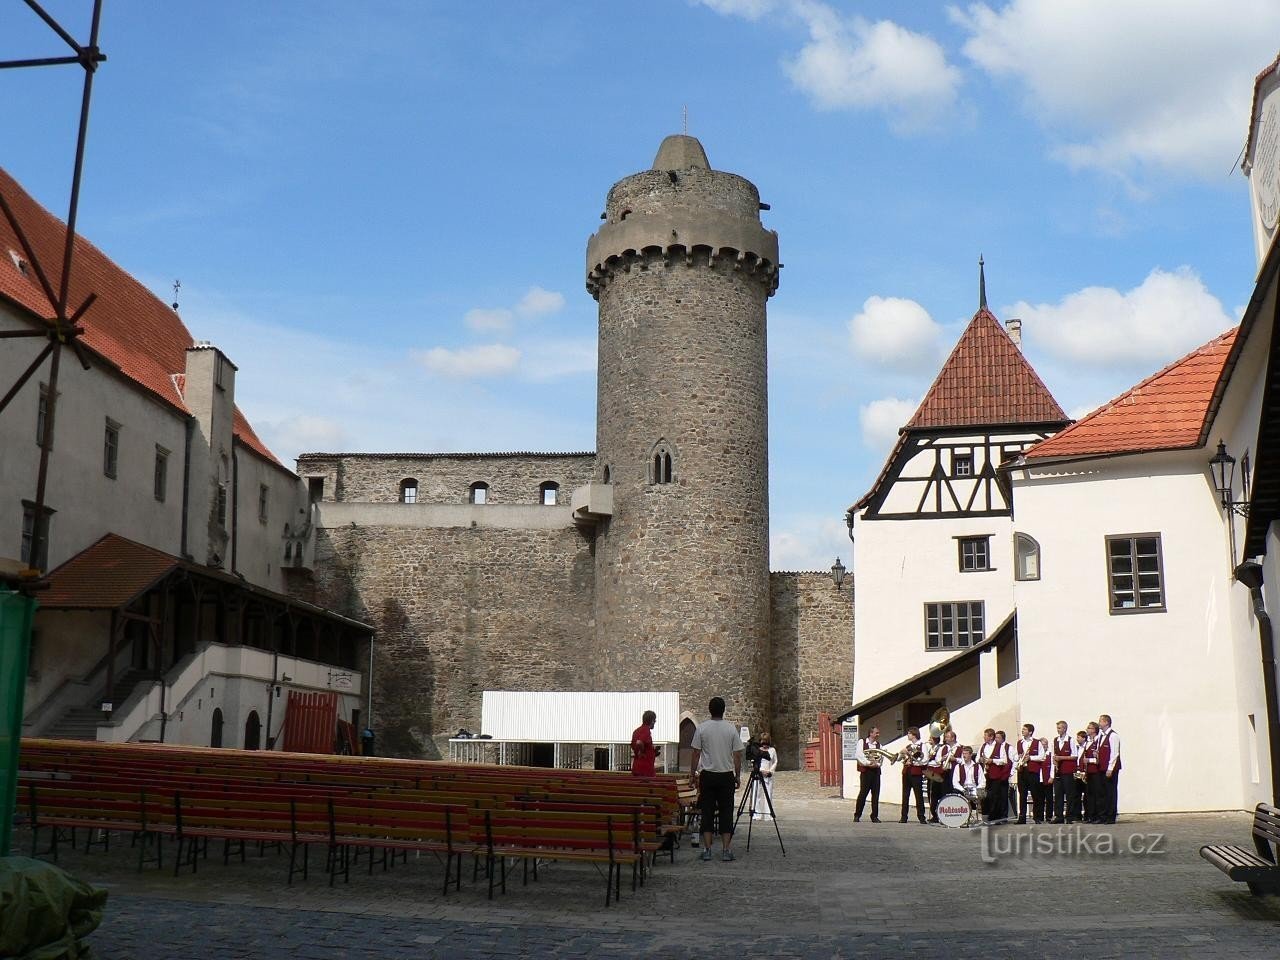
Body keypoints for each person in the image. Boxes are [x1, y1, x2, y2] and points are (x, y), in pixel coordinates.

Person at [690, 696, 744, 861]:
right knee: (726, 812)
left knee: (707, 811)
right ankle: (726, 850)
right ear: (724, 710)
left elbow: (696, 753)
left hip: (708, 775)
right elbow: (737, 754)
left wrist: (693, 773)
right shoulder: (730, 729)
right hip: (726, 775)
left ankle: (707, 850)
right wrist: (737, 775)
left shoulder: (702, 728)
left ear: (709, 710)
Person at [1013, 723, 1047, 824]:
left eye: (1024, 729)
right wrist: (1018, 757)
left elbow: (1042, 756)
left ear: (1030, 732)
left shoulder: (1037, 742)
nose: (1022, 731)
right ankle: (1022, 817)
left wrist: (1030, 758)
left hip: (1032, 771)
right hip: (1022, 771)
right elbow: (1014, 757)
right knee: (1022, 795)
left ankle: (1036, 817)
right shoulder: (1019, 743)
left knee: (1035, 794)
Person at [1050, 720, 1080, 824]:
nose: (1058, 730)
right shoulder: (1055, 740)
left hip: (1068, 771)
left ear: (1065, 728)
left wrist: (1061, 758)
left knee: (1069, 794)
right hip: (1058, 771)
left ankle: (1069, 816)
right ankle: (1059, 816)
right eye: (1057, 728)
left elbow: (1074, 756)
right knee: (1058, 794)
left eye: (1060, 728)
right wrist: (1055, 760)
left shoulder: (1070, 740)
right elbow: (1054, 754)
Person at [853, 726, 884, 823]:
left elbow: (881, 759)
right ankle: (857, 815)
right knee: (863, 794)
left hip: (875, 772)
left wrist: (876, 764)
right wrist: (868, 763)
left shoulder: (879, 745)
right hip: (866, 772)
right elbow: (859, 755)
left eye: (878, 733)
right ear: (871, 733)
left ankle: (874, 816)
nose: (878, 735)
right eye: (876, 733)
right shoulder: (862, 742)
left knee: (875, 795)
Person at [1095, 714, 1122, 824]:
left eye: (1100, 721)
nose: (1099, 723)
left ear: (1106, 722)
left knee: (1110, 792)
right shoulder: (1101, 736)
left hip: (1109, 768)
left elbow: (1114, 753)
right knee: (1102, 793)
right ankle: (1103, 815)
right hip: (1101, 767)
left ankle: (1111, 816)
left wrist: (1110, 768)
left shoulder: (1113, 736)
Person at [928, 730, 959, 822]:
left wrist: (955, 759)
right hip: (942, 773)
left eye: (947, 737)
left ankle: (948, 815)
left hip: (953, 774)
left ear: (953, 738)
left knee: (948, 794)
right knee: (935, 794)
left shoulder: (960, 748)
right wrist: (943, 758)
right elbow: (937, 760)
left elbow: (963, 760)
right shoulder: (943, 748)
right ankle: (935, 815)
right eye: (945, 737)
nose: (945, 739)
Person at [898, 726, 928, 824]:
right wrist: (901, 754)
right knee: (905, 795)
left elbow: (925, 760)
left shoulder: (922, 746)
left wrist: (913, 763)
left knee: (918, 795)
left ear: (914, 734)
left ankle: (921, 816)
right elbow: (899, 759)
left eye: (909, 733)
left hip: (916, 773)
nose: (908, 735)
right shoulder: (908, 746)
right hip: (907, 772)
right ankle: (903, 817)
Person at [984, 730, 1013, 822]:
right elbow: (978, 759)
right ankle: (992, 815)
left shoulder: (1002, 747)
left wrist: (992, 761)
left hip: (999, 775)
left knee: (999, 796)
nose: (984, 737)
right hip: (987, 774)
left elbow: (1005, 761)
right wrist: (981, 760)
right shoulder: (984, 746)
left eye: (985, 735)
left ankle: (999, 816)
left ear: (990, 736)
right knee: (990, 796)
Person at [752, 732, 778, 820]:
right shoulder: (758, 750)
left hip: (768, 774)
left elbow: (775, 761)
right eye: (763, 741)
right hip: (759, 774)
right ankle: (757, 814)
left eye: (766, 742)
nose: (764, 744)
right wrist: (759, 771)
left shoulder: (772, 750)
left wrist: (770, 771)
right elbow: (754, 762)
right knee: (757, 795)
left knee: (768, 794)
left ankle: (768, 814)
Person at [1081, 722, 1101, 823]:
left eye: (1089, 728)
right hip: (1089, 772)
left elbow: (1099, 758)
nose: (1087, 729)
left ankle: (1098, 816)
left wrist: (1089, 760)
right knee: (1089, 795)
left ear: (1094, 730)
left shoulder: (1098, 741)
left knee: (1097, 794)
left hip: (1096, 771)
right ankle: (1090, 815)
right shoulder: (1088, 742)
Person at [630, 709, 658, 777]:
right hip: (645, 770)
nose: (655, 722)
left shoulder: (636, 731)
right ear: (651, 721)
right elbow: (639, 742)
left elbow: (634, 745)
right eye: (654, 720)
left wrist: (653, 752)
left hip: (637, 767)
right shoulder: (646, 730)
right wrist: (642, 751)